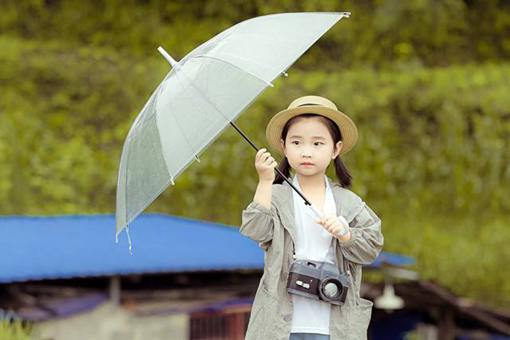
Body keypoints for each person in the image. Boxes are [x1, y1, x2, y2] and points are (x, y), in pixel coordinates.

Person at [240, 95, 384, 340]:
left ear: (335, 149)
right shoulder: (275, 196)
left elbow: (371, 248)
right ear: (284, 146)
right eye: (297, 143)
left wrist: (346, 235)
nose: (306, 152)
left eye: (318, 144)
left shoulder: (348, 203)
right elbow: (256, 230)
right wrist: (265, 181)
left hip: (334, 325)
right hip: (280, 324)